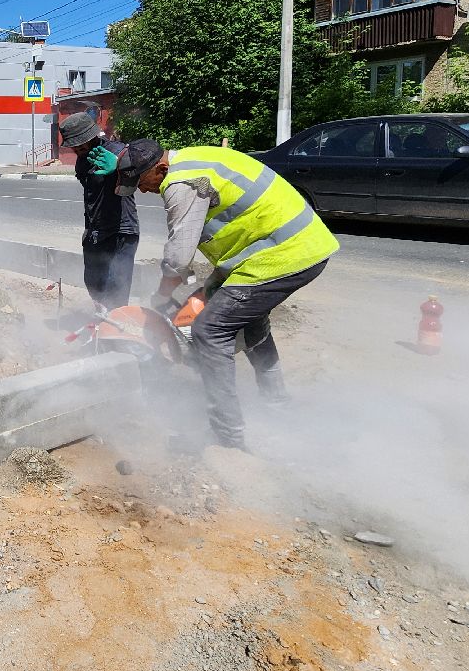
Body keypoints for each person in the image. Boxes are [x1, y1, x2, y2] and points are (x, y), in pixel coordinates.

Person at [114, 138, 339, 451]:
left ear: (160, 168)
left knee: (210, 330)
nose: (141, 191)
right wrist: (201, 292)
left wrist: (161, 296)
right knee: (246, 320)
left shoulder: (180, 183)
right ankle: (277, 405)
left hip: (282, 253)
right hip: (283, 249)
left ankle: (227, 436)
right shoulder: (194, 157)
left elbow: (179, 258)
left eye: (141, 182)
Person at [58, 111, 138, 310]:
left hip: (121, 230)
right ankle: (102, 323)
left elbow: (138, 163)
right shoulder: (82, 160)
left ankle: (114, 334)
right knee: (93, 282)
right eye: (74, 145)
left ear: (92, 136)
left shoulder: (116, 150)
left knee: (115, 290)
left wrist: (120, 165)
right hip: (95, 231)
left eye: (80, 143)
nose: (77, 148)